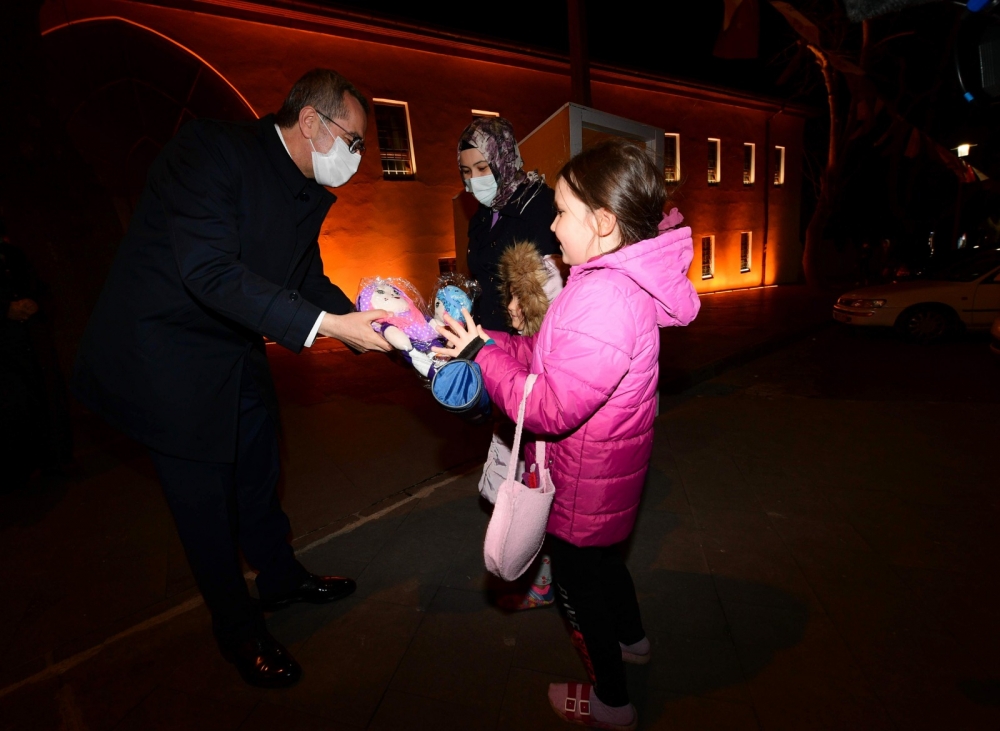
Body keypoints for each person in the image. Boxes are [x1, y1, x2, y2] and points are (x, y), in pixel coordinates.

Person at [72, 69, 392, 688]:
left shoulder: (300, 189)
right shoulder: (210, 152)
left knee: (259, 470)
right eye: (352, 141)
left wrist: (374, 325)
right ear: (311, 124)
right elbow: (210, 273)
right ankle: (237, 629)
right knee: (205, 509)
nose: (355, 157)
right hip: (166, 359)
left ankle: (281, 577)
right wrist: (329, 326)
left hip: (232, 348)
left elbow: (303, 278)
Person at [435, 139, 700, 729]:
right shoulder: (603, 280)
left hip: (583, 487)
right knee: (608, 566)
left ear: (603, 223)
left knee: (581, 593)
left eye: (561, 212)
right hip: (605, 481)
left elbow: (552, 406)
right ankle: (633, 640)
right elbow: (551, 354)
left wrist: (483, 360)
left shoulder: (603, 297)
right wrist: (493, 342)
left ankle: (611, 701)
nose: (552, 226)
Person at [458, 116, 560, 331]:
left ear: (503, 159)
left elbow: (550, 293)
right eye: (466, 172)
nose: (474, 180)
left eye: (482, 168)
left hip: (522, 341)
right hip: (485, 334)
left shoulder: (540, 205)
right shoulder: (484, 212)